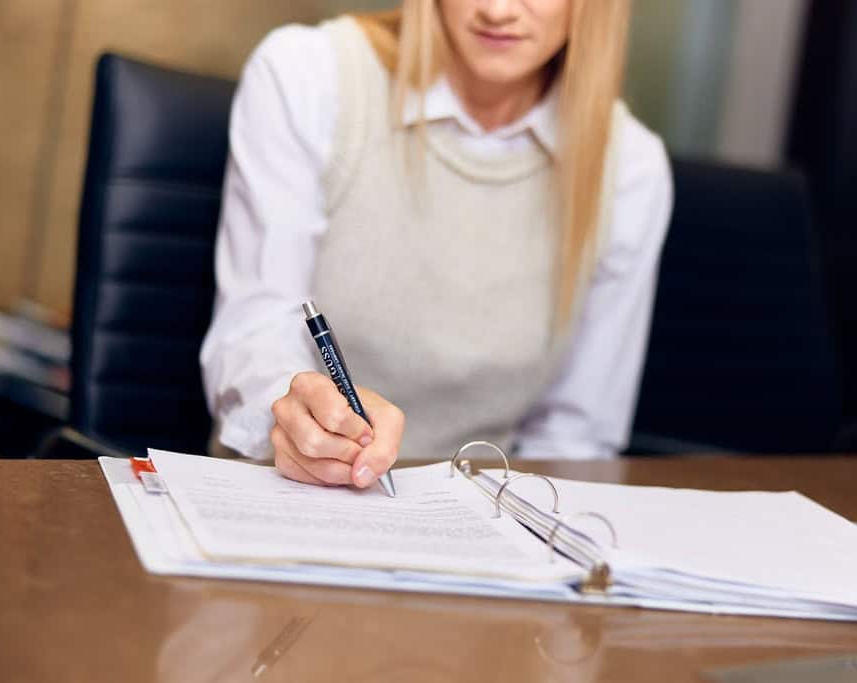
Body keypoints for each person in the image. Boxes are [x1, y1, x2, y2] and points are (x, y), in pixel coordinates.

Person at [200, 0, 672, 490]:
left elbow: (574, 439)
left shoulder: (630, 168)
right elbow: (252, 330)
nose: (498, 10)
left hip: (480, 515)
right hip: (288, 493)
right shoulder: (309, 74)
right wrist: (289, 413)